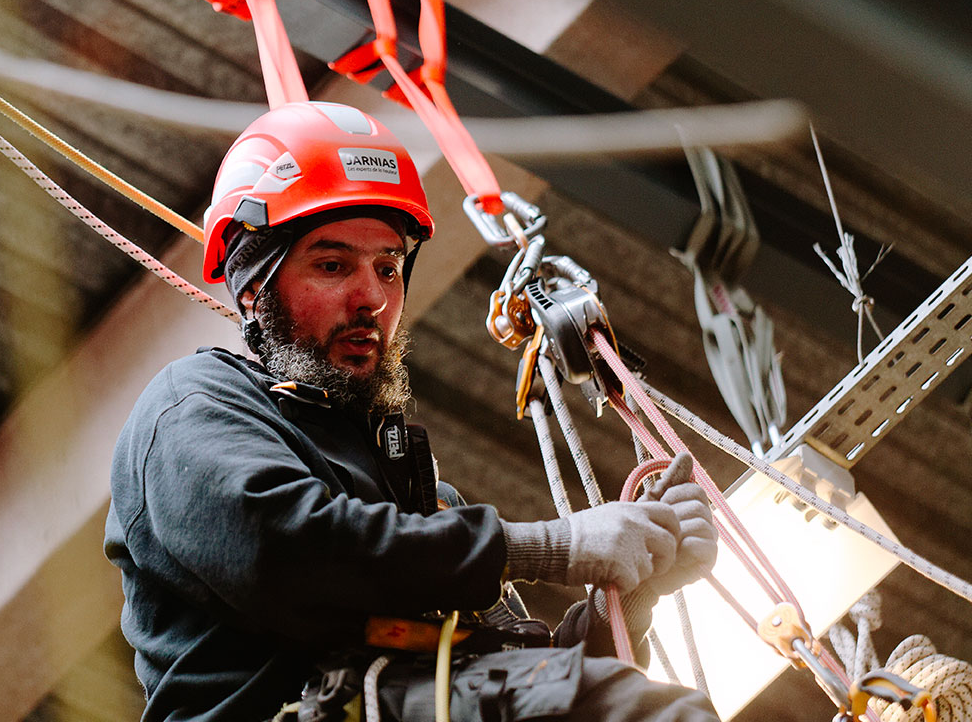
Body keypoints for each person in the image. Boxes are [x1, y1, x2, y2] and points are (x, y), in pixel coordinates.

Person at [104, 101, 721, 722]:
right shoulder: (195, 405)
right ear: (252, 284)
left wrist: (634, 595)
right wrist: (551, 548)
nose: (371, 296)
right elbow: (289, 551)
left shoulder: (421, 503)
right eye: (332, 264)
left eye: (389, 267)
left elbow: (504, 671)